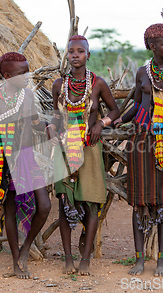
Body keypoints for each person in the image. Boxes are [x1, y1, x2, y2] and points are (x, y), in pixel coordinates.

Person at [114, 24, 163, 276]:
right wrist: (119, 120)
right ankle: (139, 259)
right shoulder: (142, 72)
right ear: (151, 47)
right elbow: (138, 105)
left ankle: (162, 259)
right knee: (139, 200)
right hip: (141, 137)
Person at [0, 52, 51, 279]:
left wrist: (49, 127)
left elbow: (35, 123)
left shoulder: (26, 96)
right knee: (10, 210)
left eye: (28, 70)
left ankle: (25, 248)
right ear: (6, 76)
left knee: (44, 206)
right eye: (22, 72)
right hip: (3, 163)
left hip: (26, 159)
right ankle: (17, 261)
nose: (28, 76)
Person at [48, 35, 120, 275]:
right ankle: (68, 258)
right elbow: (56, 115)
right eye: (71, 51)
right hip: (65, 149)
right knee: (64, 201)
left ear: (88, 55)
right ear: (66, 55)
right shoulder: (59, 84)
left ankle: (85, 259)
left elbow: (115, 109)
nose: (75, 55)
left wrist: (102, 123)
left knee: (90, 202)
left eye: (80, 51)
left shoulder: (98, 84)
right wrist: (51, 127)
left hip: (89, 147)